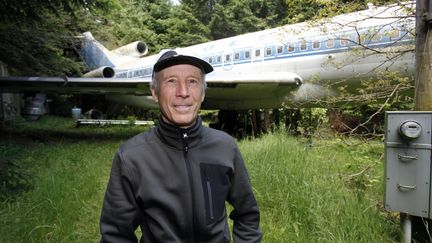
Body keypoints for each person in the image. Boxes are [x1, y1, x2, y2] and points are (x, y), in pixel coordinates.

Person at [99, 50, 262, 243]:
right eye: (171, 81)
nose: (183, 92)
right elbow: (116, 235)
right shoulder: (131, 157)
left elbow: (247, 215)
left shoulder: (225, 146)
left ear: (202, 93)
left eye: (192, 81)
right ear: (155, 92)